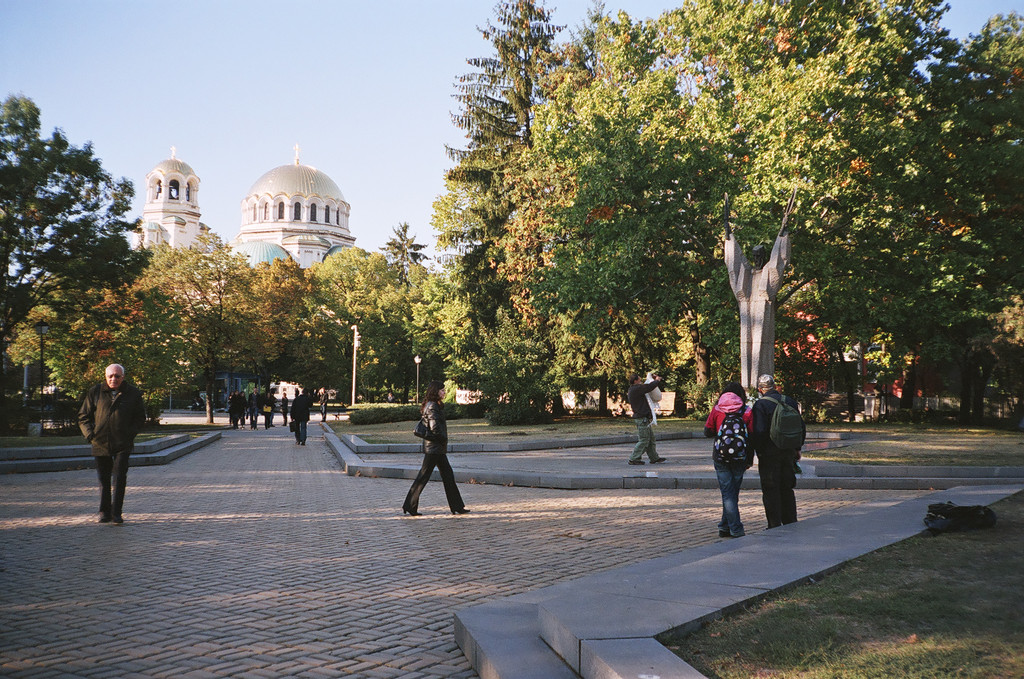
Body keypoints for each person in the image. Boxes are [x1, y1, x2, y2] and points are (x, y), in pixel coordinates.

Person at [77, 363, 147, 524]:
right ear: (105, 376)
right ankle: (104, 512)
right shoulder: (96, 392)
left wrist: (130, 434)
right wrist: (90, 435)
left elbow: (140, 418)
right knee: (103, 479)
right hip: (100, 442)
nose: (113, 379)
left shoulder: (133, 393)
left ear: (123, 377)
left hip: (123, 443)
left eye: (117, 376)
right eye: (110, 376)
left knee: (120, 478)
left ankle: (117, 513)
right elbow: (83, 415)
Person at [402, 380, 469, 517]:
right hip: (434, 449)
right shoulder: (432, 406)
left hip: (436, 448)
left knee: (447, 476)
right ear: (435, 391)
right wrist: (443, 437)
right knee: (424, 476)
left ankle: (457, 506)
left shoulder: (433, 405)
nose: (444, 392)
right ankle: (409, 505)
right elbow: (435, 429)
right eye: (442, 390)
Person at [750, 374, 805, 528]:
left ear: (760, 389)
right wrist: (797, 448)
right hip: (788, 451)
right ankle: (791, 521)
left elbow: (759, 431)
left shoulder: (761, 405)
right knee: (787, 487)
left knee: (770, 488)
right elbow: (801, 427)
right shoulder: (789, 401)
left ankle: (774, 524)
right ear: (775, 386)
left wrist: (759, 450)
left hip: (769, 453)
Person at [704, 382, 753, 538]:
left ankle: (726, 527)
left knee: (727, 493)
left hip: (720, 456)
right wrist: (749, 459)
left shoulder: (717, 410)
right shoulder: (746, 411)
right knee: (732, 493)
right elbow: (751, 436)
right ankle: (734, 528)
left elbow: (707, 431)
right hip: (740, 457)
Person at [626, 372, 667, 465]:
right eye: (639, 380)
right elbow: (648, 387)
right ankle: (634, 458)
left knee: (651, 439)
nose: (641, 381)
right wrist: (657, 380)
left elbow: (646, 386)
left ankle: (654, 458)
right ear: (635, 381)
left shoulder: (634, 389)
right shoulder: (636, 389)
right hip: (641, 419)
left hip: (643, 418)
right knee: (644, 439)